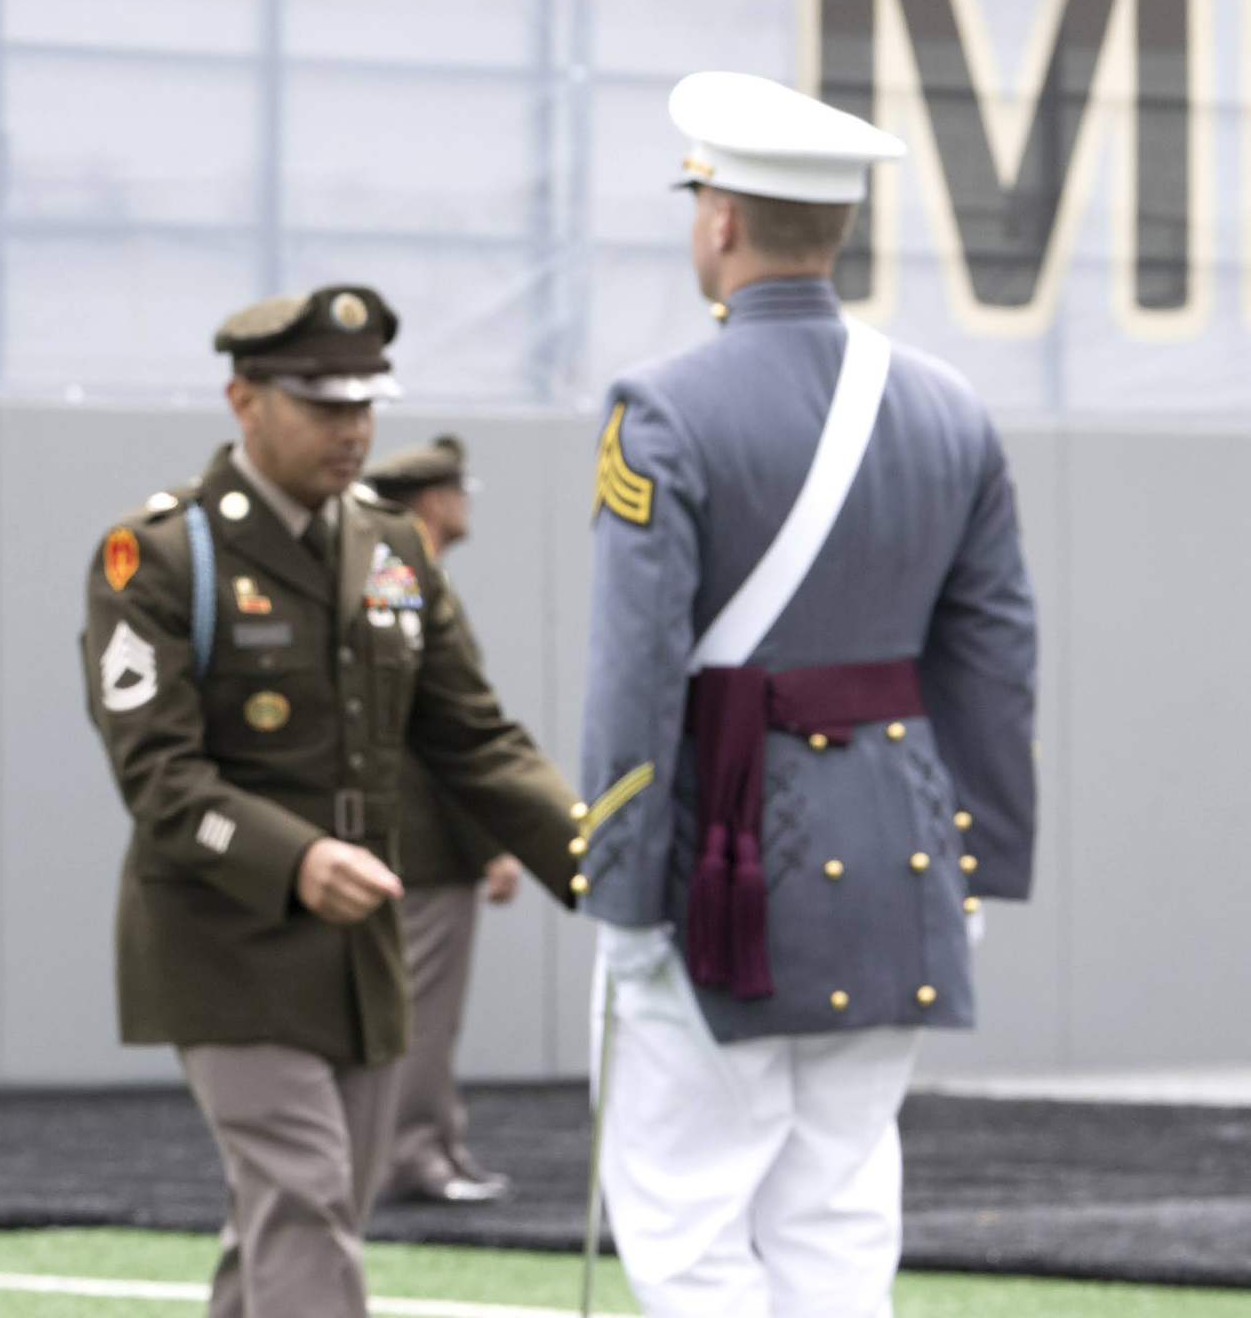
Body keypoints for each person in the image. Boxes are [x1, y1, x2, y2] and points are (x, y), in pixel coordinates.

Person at [576, 71, 1038, 1318]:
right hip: (899, 858)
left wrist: (619, 882)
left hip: (722, 864)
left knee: (686, 1216)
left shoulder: (661, 407)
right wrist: (976, 859)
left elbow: (632, 672)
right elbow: (995, 655)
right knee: (838, 1213)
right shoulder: (951, 407)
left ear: (719, 219)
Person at [79, 286, 582, 1318]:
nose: (353, 426)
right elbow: (160, 776)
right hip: (224, 941)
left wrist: (594, 855)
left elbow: (475, 736)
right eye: (321, 401)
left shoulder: (393, 547)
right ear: (244, 399)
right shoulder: (161, 554)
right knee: (305, 1197)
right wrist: (298, 856)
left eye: (365, 402)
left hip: (361, 952)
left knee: (296, 1216)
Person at [358, 435, 518, 1207]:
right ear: (431, 501)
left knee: (422, 1008)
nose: (466, 502)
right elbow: (446, 731)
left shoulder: (391, 578)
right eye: (458, 489)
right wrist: (494, 839)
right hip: (427, 840)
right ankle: (414, 1154)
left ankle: (434, 1144)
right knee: (423, 1009)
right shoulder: (403, 583)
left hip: (417, 839)